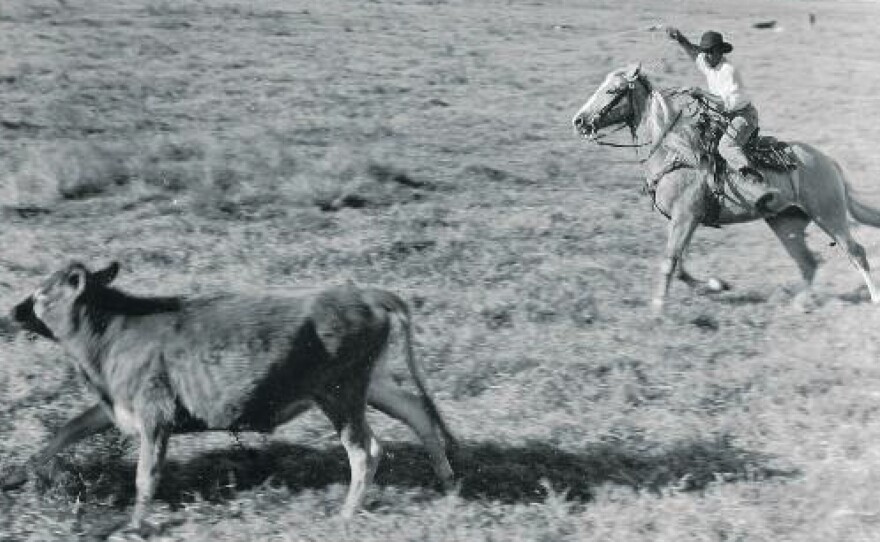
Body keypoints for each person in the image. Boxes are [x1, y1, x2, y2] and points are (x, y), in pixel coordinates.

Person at [666, 28, 766, 185]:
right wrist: (680, 38)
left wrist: (701, 92)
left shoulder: (728, 71)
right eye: (705, 51)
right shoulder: (708, 62)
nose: (705, 55)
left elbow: (728, 103)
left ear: (719, 52)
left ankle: (751, 178)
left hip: (743, 116)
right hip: (723, 115)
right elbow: (694, 53)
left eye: (710, 51)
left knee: (726, 146)